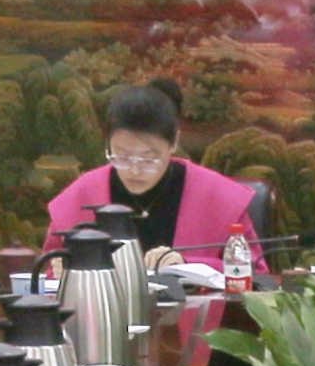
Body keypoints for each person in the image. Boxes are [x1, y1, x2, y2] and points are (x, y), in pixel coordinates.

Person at [45, 82, 269, 256]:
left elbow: (255, 276)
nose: (134, 170)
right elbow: (48, 271)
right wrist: (62, 270)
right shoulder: (82, 194)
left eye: (148, 159)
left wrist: (189, 266)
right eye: (121, 156)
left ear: (173, 143)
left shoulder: (219, 197)